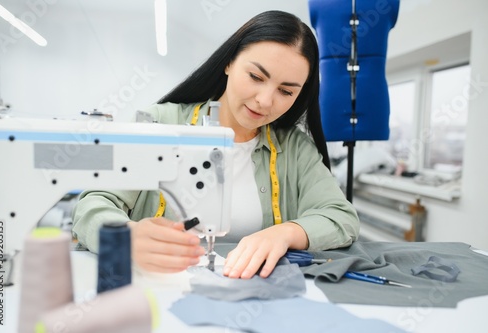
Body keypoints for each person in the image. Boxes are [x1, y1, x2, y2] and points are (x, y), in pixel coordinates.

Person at [72, 10, 359, 279]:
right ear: (229, 63)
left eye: (286, 91)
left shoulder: (295, 149)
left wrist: (286, 233)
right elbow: (92, 206)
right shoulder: (160, 123)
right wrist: (127, 237)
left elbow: (341, 217)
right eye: (256, 77)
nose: (265, 101)